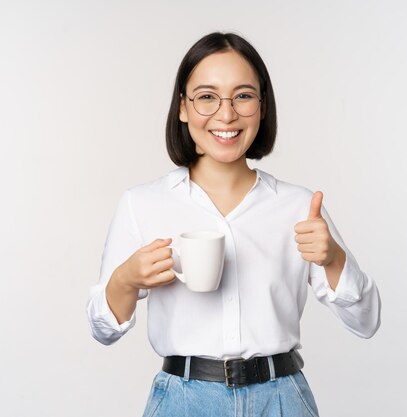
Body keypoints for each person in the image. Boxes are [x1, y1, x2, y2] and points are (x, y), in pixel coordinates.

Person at [86, 32, 381, 417]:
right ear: (183, 108)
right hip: (183, 401)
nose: (226, 115)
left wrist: (334, 259)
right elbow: (103, 330)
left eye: (243, 96)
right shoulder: (142, 204)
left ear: (262, 106)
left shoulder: (299, 206)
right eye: (207, 97)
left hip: (282, 399)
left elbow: (367, 322)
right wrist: (126, 280)